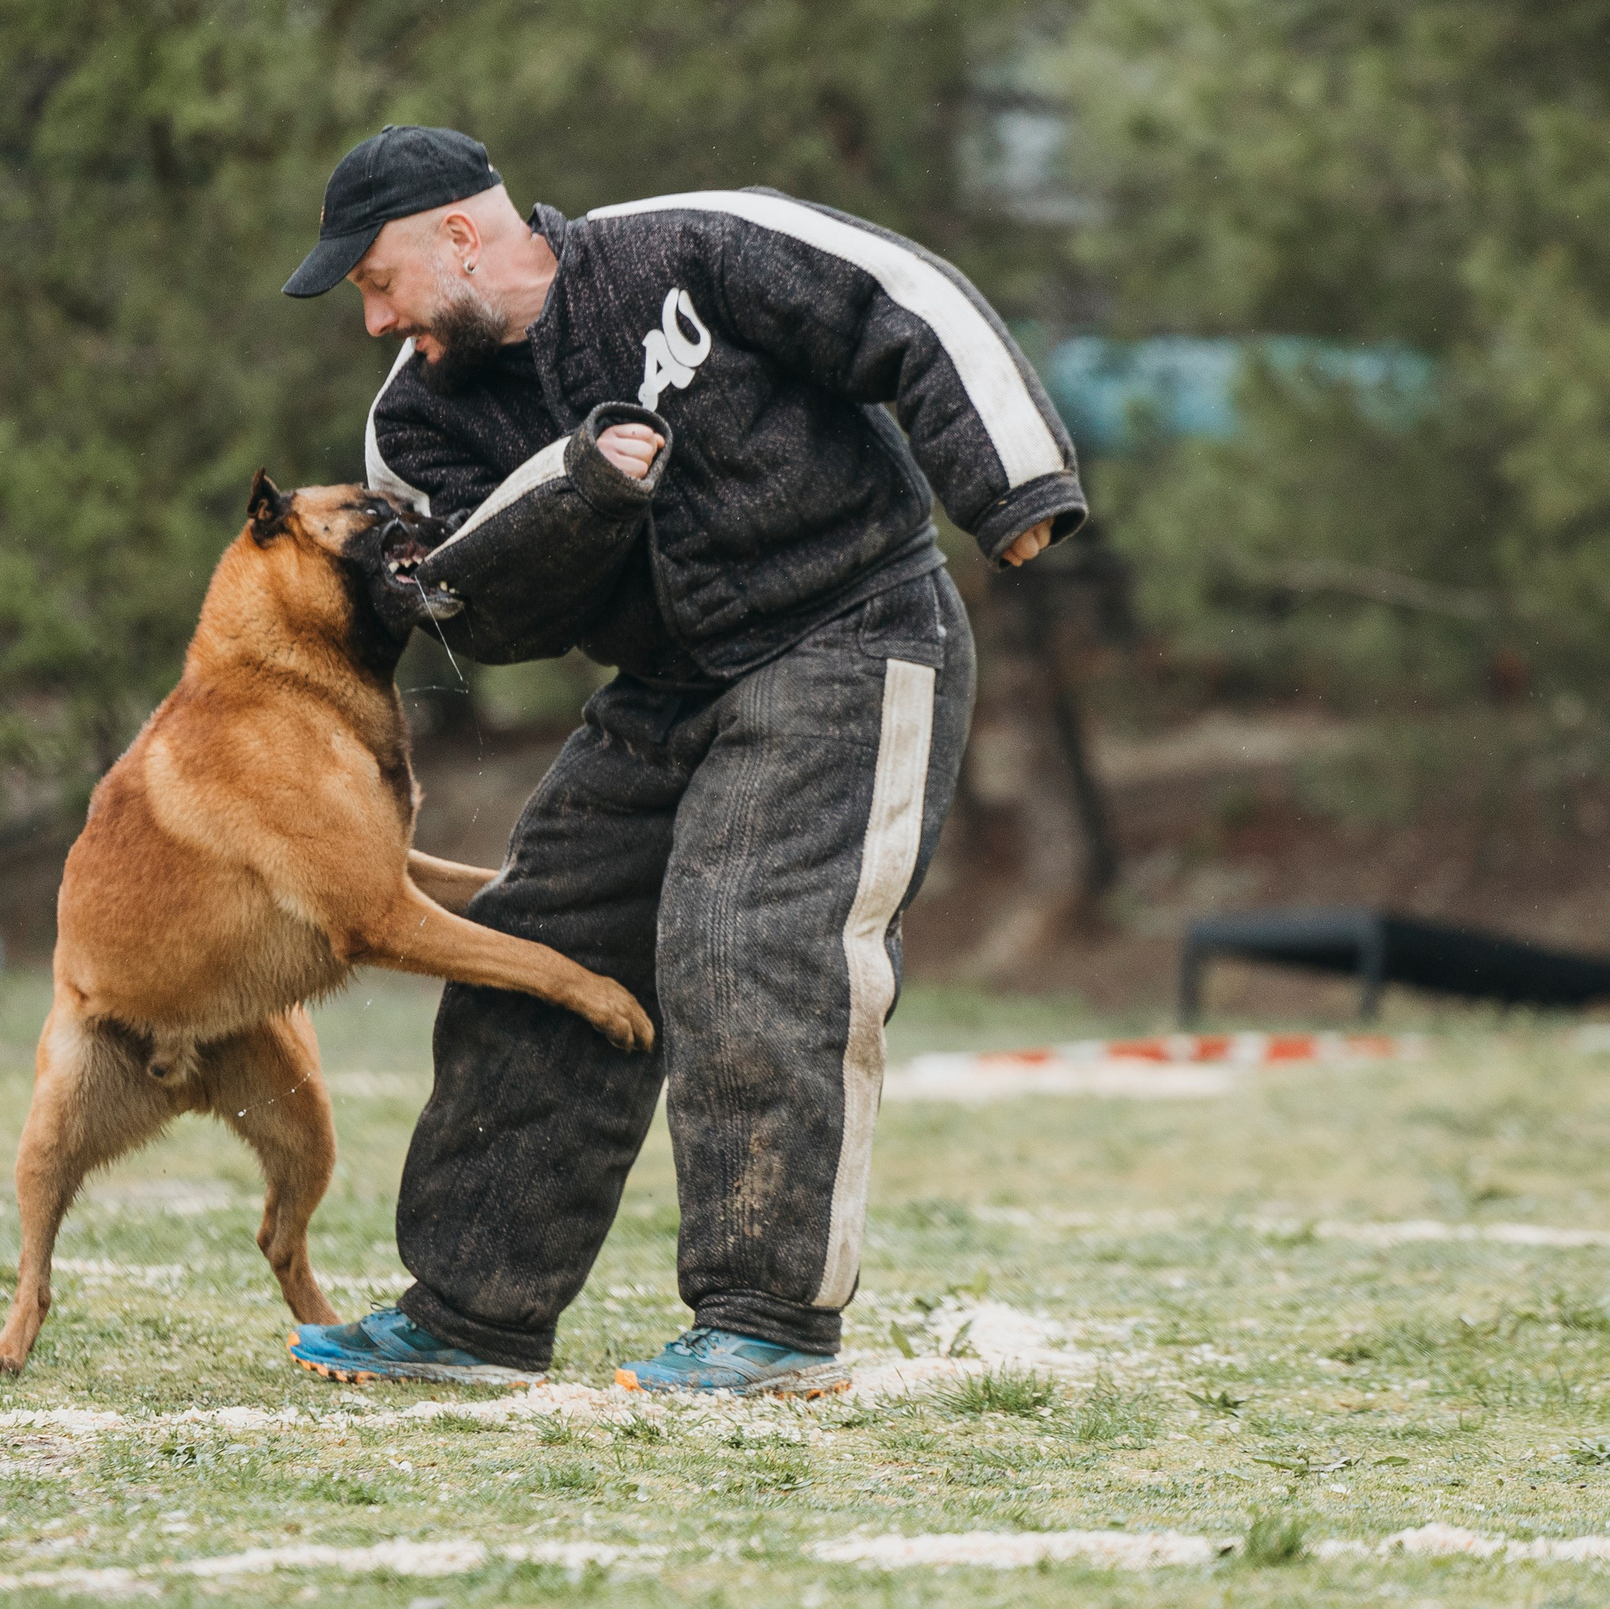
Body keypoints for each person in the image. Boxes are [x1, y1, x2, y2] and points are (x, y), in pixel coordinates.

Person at [281, 125, 1084, 1397]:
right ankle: (473, 1314)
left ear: (457, 233)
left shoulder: (685, 244)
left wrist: (1012, 482)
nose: (375, 321)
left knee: (749, 942)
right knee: (537, 939)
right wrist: (576, 494)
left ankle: (767, 1321)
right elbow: (476, 618)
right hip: (659, 688)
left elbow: (907, 304)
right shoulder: (416, 423)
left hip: (852, 631)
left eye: (377, 282)